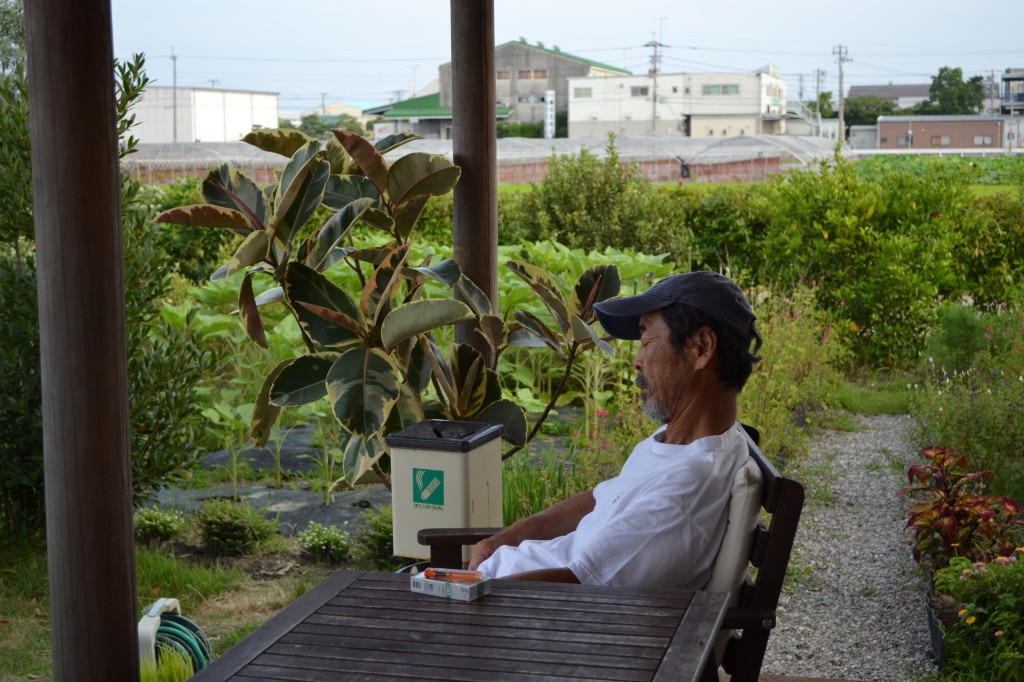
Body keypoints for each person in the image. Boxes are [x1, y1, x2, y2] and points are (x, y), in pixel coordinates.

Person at [471, 271, 763, 588]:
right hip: (499, 584)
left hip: (509, 608)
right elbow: (603, 499)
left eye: (647, 338)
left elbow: (584, 587)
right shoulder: (677, 444)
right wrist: (505, 538)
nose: (637, 361)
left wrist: (470, 593)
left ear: (701, 348)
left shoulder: (686, 486)